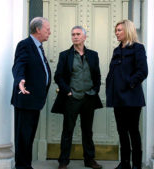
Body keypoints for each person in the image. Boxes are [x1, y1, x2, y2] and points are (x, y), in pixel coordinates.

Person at [51, 26, 103, 169]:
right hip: (71, 98)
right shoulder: (65, 55)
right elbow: (58, 76)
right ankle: (63, 161)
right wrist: (67, 91)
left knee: (87, 131)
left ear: (84, 37)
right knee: (67, 130)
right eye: (73, 34)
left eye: (78, 34)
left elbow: (97, 76)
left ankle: (90, 160)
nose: (75, 36)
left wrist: (95, 90)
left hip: (89, 98)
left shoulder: (93, 55)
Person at [106, 20, 148, 169]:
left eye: (119, 30)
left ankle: (136, 164)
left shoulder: (138, 48)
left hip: (132, 98)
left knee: (133, 131)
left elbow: (143, 71)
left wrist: (129, 83)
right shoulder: (117, 50)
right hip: (117, 97)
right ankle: (124, 164)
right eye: (116, 30)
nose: (116, 33)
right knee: (121, 131)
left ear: (128, 31)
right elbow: (113, 72)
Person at [11, 17, 51, 169]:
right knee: (23, 137)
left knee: (29, 137)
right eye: (47, 29)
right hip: (26, 99)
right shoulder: (25, 45)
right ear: (38, 29)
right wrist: (20, 79)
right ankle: (22, 166)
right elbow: (19, 65)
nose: (50, 32)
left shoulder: (39, 47)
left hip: (35, 100)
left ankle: (25, 165)